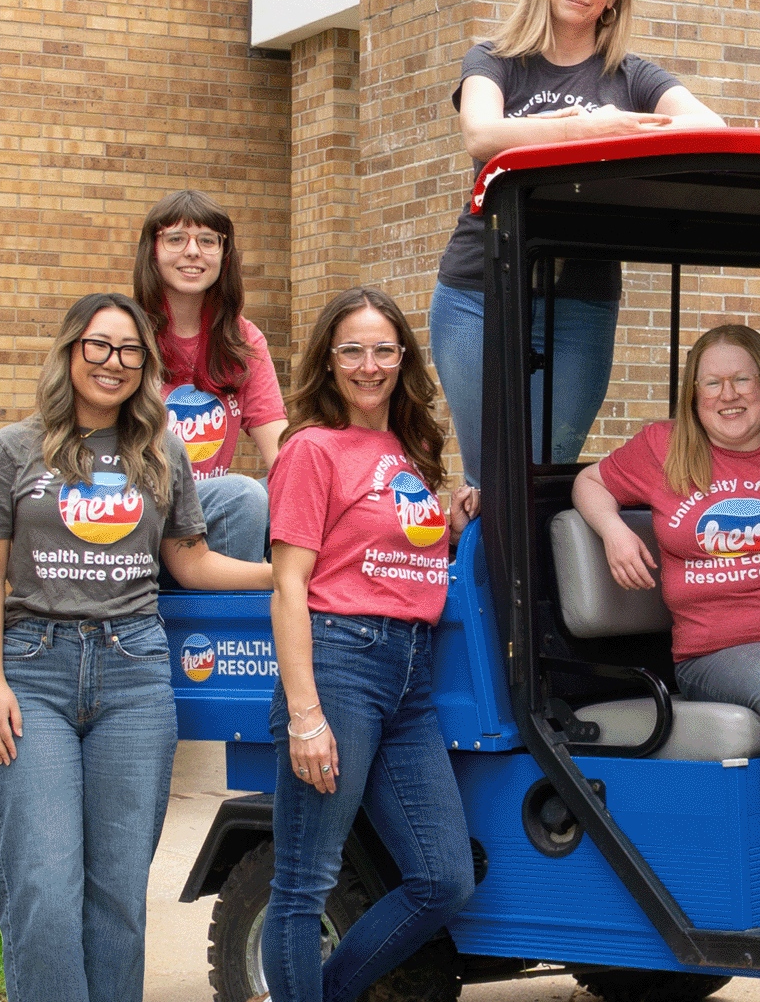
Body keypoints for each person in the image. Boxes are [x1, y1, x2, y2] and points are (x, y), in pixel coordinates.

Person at [0, 293, 273, 1002]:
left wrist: (282, 576)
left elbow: (191, 561)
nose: (113, 361)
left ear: (146, 364)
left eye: (130, 349)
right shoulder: (11, 450)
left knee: (117, 892)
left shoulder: (160, 450)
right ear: (71, 351)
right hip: (34, 671)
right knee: (41, 884)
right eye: (99, 346)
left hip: (135, 676)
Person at [432, 0, 726, 477]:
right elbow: (482, 134)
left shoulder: (631, 75)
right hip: (478, 291)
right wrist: (585, 128)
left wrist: (634, 133)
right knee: (487, 475)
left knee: (547, 473)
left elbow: (714, 129)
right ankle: (483, 566)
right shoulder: (494, 59)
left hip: (582, 301)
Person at [259, 287, 478, 1002]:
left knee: (443, 878)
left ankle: (324, 991)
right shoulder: (310, 449)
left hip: (410, 676)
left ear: (403, 359)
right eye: (352, 348)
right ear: (329, 358)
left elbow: (399, 548)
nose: (369, 364)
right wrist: (305, 713)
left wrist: (453, 519)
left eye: (384, 349)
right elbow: (289, 584)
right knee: (304, 881)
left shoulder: (410, 449)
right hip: (338, 662)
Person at [572, 323, 760, 798]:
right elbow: (591, 482)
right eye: (712, 383)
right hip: (721, 647)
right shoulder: (664, 446)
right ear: (693, 392)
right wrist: (613, 531)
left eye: (743, 379)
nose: (728, 395)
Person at [131, 189, 285, 563]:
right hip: (141, 509)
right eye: (176, 239)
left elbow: (281, 452)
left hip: (210, 510)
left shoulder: (243, 339)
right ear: (152, 251)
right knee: (244, 496)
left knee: (295, 493)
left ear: (224, 255)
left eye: (207, 241)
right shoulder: (127, 332)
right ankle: (235, 607)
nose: (193, 251)